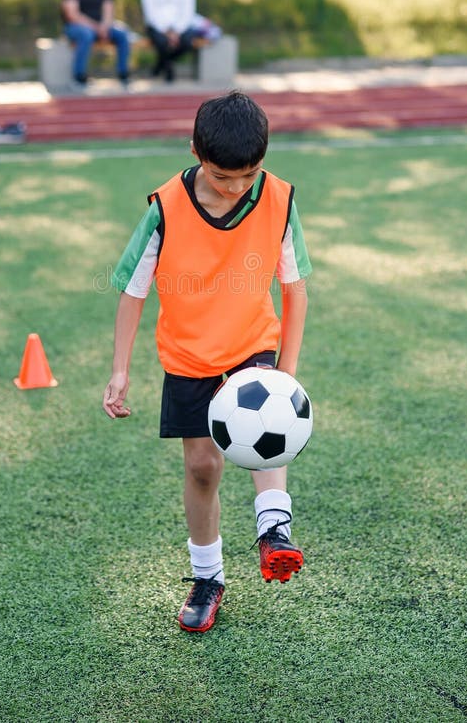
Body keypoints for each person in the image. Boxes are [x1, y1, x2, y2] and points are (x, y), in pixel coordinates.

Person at [102, 90, 312, 633]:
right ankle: (208, 577)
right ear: (196, 150)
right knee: (201, 467)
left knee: (269, 425)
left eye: (249, 175)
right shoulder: (165, 208)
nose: (237, 187)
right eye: (223, 176)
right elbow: (132, 290)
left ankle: (274, 531)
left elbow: (296, 290)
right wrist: (120, 369)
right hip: (189, 353)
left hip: (251, 343)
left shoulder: (280, 200)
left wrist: (284, 370)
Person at [61, 0, 130, 87]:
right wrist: (95, 27)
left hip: (101, 26)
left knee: (122, 34)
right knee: (86, 35)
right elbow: (72, 15)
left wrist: (104, 26)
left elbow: (109, 10)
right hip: (78, 27)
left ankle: (123, 72)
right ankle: (79, 74)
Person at [140, 0, 198, 83]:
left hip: (180, 27)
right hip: (157, 27)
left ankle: (161, 65)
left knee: (187, 42)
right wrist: (166, 31)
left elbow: (188, 10)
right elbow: (149, 11)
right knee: (161, 42)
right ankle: (168, 71)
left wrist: (176, 31)